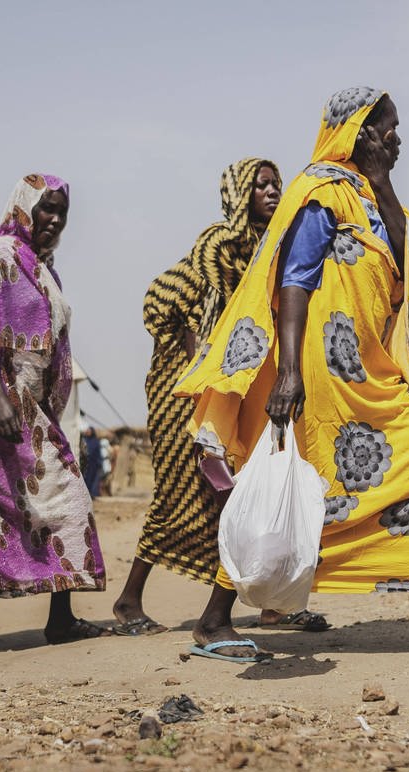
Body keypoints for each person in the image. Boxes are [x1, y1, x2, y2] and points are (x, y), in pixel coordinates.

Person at [173, 87, 409, 663]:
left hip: (366, 371)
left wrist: (383, 181)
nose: (400, 138)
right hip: (317, 374)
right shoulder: (321, 194)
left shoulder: (373, 200)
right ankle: (215, 620)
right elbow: (294, 281)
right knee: (295, 486)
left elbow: (406, 260)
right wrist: (286, 372)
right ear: (361, 133)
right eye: (389, 129)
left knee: (388, 475)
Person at [113, 159, 332, 636]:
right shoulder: (219, 244)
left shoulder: (271, 246)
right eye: (261, 185)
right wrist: (202, 360)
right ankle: (129, 600)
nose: (273, 192)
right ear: (238, 194)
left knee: (252, 491)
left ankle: (273, 604)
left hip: (243, 384)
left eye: (276, 183)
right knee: (182, 494)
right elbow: (173, 304)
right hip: (189, 388)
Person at [0, 173, 109, 656]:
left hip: (32, 411)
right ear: (24, 208)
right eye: (46, 209)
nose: (54, 220)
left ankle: (61, 619)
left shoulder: (45, 270)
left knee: (67, 500)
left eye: (62, 213)